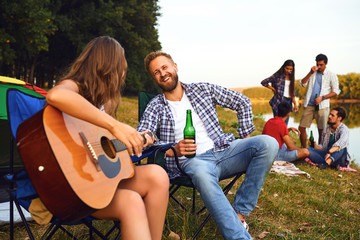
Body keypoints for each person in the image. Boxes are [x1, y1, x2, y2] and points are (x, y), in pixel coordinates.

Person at [137, 51, 279, 240]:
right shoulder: (155, 106)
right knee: (203, 175)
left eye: (164, 67)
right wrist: (172, 148)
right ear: (154, 78)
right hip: (192, 162)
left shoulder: (202, 89)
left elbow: (242, 101)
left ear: (175, 67)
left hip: (224, 150)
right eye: (156, 72)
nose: (162, 73)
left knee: (268, 143)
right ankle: (239, 237)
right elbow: (144, 137)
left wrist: (245, 136)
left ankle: (238, 213)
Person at [46, 36, 169, 240]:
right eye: (121, 68)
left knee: (158, 175)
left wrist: (130, 141)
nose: (122, 74)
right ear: (107, 66)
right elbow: (55, 96)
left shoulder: (107, 101)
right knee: (131, 201)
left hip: (98, 181)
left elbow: (99, 147)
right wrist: (115, 125)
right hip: (70, 187)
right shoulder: (73, 86)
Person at [298, 54, 341, 148]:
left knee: (321, 130)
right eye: (318, 64)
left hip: (322, 106)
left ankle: (318, 151)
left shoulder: (331, 75)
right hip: (309, 105)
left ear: (326, 63)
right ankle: (304, 150)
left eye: (321, 65)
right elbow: (302, 84)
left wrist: (322, 98)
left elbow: (336, 91)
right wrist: (310, 72)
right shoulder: (313, 72)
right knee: (301, 128)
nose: (319, 67)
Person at [261, 60, 298, 125]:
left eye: (290, 69)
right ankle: (275, 135)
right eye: (287, 68)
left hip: (288, 102)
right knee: (277, 123)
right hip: (279, 101)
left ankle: (283, 135)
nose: (289, 71)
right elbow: (264, 82)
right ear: (284, 67)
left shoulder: (291, 76)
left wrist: (295, 103)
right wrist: (273, 89)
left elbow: (292, 91)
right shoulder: (278, 75)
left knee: (285, 124)